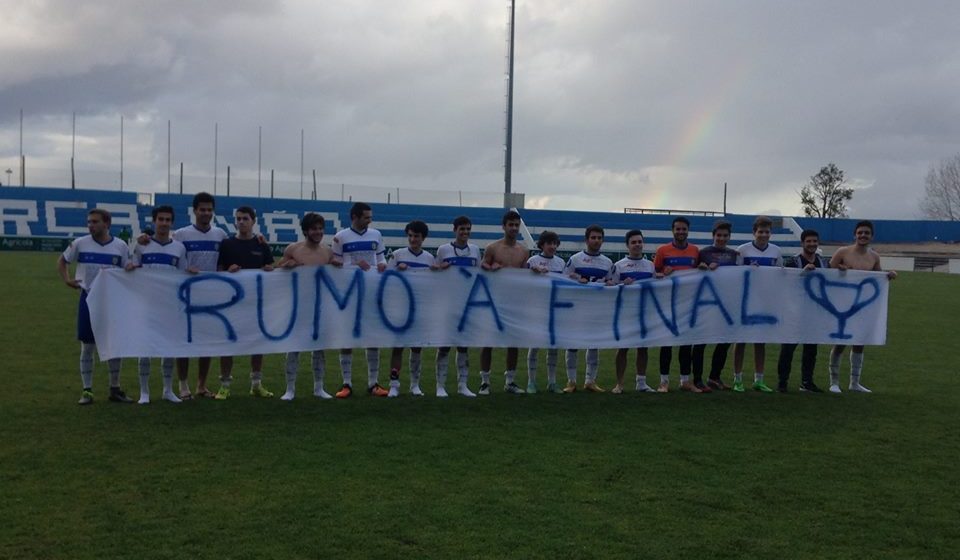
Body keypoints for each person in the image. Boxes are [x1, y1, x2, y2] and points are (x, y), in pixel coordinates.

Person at [57, 208, 133, 405]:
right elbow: (62, 261)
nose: (90, 225)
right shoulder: (80, 243)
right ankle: (87, 391)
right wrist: (67, 280)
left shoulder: (120, 245)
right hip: (88, 298)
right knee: (88, 346)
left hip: (112, 301)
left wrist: (129, 268)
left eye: (95, 222)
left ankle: (115, 389)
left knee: (115, 345)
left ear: (106, 223)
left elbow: (127, 268)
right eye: (89, 222)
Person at [126, 205, 188, 404]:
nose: (163, 223)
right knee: (145, 348)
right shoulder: (141, 245)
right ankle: (144, 392)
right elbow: (130, 268)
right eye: (160, 219)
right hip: (146, 304)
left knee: (168, 347)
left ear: (172, 223)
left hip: (169, 305)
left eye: (167, 220)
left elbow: (181, 276)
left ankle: (168, 390)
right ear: (154, 221)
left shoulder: (179, 247)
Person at [827, 220, 897, 393]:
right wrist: (839, 269)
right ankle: (834, 382)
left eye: (866, 233)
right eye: (860, 232)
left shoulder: (874, 256)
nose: (863, 235)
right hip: (842, 304)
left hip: (863, 305)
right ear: (854, 234)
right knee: (841, 341)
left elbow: (877, 276)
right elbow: (828, 271)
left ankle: (854, 382)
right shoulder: (842, 252)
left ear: (871, 236)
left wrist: (888, 275)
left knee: (860, 342)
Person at [170, 192, 227, 399]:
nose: (206, 213)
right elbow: (171, 260)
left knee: (207, 342)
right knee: (184, 341)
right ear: (194, 211)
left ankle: (201, 385)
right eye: (202, 209)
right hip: (186, 295)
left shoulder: (220, 235)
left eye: (209, 209)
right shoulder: (181, 235)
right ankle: (183, 385)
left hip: (211, 296)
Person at [215, 206, 276, 399]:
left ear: (253, 221)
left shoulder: (261, 245)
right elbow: (218, 272)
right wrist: (227, 271)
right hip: (230, 303)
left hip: (255, 303)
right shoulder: (227, 244)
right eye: (239, 219)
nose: (241, 222)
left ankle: (256, 384)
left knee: (257, 344)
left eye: (245, 218)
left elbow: (270, 268)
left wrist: (268, 269)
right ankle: (224, 384)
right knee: (228, 344)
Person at [330, 202, 389, 398]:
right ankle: (346, 383)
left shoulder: (376, 235)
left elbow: (381, 258)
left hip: (371, 291)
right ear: (354, 217)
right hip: (348, 293)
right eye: (366, 217)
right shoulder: (341, 237)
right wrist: (354, 263)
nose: (369, 220)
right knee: (346, 336)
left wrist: (382, 265)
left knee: (372, 336)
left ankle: (373, 383)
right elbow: (334, 262)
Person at [277, 212, 335, 401]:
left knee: (319, 348)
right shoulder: (293, 248)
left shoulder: (327, 251)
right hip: (297, 305)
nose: (318, 232)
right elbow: (277, 272)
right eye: (314, 229)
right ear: (305, 231)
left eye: (320, 228)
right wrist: (288, 264)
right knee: (294, 346)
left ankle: (319, 387)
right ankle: (290, 389)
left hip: (320, 306)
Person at [387, 220, 440, 397]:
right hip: (401, 309)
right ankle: (394, 384)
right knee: (398, 346)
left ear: (423, 238)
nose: (412, 239)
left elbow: (434, 285)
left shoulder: (429, 258)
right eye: (410, 235)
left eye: (416, 236)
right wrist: (396, 271)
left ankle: (414, 384)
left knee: (417, 347)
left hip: (420, 308)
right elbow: (385, 280)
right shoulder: (397, 255)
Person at [479, 210, 530, 395]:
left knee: (513, 341)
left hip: (514, 302)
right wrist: (491, 267)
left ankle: (510, 381)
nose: (514, 228)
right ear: (504, 226)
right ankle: (485, 381)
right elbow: (483, 265)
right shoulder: (493, 247)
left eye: (517, 225)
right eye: (511, 224)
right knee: (488, 340)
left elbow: (524, 273)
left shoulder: (523, 250)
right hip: (493, 300)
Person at [732, 216, 783, 393]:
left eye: (767, 231)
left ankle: (758, 380)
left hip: (764, 302)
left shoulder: (776, 251)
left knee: (760, 341)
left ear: (771, 233)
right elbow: (734, 275)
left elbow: (781, 275)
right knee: (741, 340)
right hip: (745, 302)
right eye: (760, 231)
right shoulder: (743, 250)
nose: (763, 235)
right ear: (754, 232)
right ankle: (737, 379)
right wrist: (747, 271)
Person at [563, 224, 614, 393]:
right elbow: (563, 278)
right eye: (593, 237)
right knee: (573, 344)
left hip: (596, 309)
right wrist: (576, 278)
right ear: (586, 240)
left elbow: (611, 283)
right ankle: (571, 381)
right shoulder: (575, 259)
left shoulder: (607, 262)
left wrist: (610, 284)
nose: (596, 240)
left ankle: (590, 381)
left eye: (599, 238)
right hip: (577, 307)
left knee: (593, 344)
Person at [434, 215, 480, 398]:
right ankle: (440, 385)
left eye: (468, 229)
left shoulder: (475, 250)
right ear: (454, 230)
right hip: (447, 303)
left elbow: (479, 274)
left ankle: (463, 385)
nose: (465, 232)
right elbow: (435, 274)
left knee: (463, 345)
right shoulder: (444, 249)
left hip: (467, 304)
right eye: (462, 229)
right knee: (444, 345)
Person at [776, 229, 828, 393]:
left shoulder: (824, 262)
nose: (812, 244)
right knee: (788, 348)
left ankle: (807, 381)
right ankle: (782, 382)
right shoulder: (793, 261)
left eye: (814, 241)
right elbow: (784, 281)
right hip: (795, 312)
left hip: (815, 312)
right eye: (809, 241)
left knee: (811, 349)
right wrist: (802, 272)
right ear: (802, 243)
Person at [653, 216, 700, 393]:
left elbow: (699, 272)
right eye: (678, 229)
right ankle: (664, 381)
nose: (681, 232)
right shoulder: (663, 250)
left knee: (686, 343)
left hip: (688, 304)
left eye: (684, 229)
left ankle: (685, 380)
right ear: (673, 230)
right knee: (667, 343)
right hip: (668, 303)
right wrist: (662, 272)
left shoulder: (695, 250)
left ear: (688, 230)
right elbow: (655, 273)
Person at [693, 220, 740, 391]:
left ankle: (714, 377)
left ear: (729, 237)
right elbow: (693, 273)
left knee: (724, 341)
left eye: (725, 235)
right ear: (713, 236)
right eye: (718, 235)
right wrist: (701, 267)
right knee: (700, 342)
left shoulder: (733, 254)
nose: (721, 238)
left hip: (727, 304)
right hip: (706, 304)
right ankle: (697, 379)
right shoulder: (703, 253)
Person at [612, 229, 658, 394]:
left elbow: (655, 288)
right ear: (627, 246)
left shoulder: (650, 265)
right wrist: (623, 285)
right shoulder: (619, 265)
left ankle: (641, 382)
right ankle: (620, 383)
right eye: (634, 242)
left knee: (643, 348)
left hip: (644, 312)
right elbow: (611, 288)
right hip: (626, 313)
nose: (637, 245)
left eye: (640, 241)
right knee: (623, 348)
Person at [525, 230, 566, 394]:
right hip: (537, 308)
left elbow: (566, 282)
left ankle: (552, 382)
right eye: (549, 243)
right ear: (542, 244)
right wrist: (532, 272)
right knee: (534, 345)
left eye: (555, 243)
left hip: (555, 309)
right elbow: (522, 281)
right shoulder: (532, 260)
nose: (552, 246)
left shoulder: (561, 263)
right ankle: (531, 382)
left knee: (553, 346)